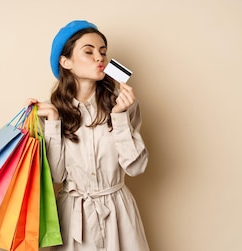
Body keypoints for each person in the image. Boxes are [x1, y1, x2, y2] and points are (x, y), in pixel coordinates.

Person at [28, 20, 150, 250]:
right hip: (73, 219)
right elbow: (55, 176)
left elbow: (136, 168)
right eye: (89, 51)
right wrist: (53, 123)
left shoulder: (123, 105)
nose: (99, 58)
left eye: (103, 52)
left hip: (118, 214)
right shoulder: (49, 112)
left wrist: (120, 117)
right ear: (65, 62)